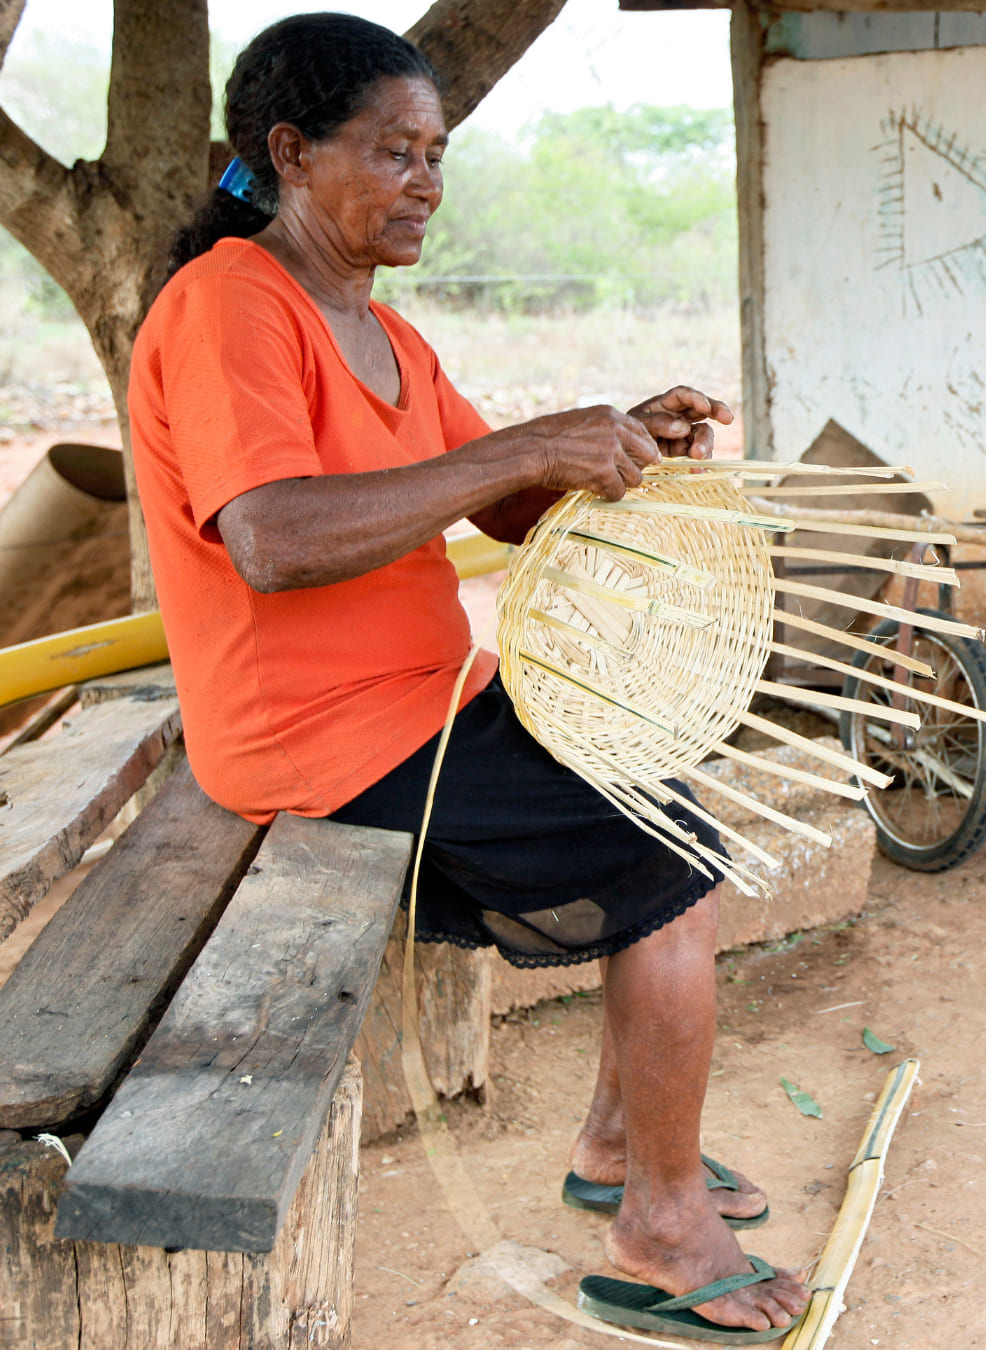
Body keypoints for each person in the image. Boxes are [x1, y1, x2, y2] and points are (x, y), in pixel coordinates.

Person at [128, 16, 807, 1343]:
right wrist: (521, 450)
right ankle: (663, 1217)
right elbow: (272, 539)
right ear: (291, 153)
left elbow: (497, 507)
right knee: (674, 861)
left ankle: (617, 1144)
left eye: (437, 154)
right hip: (317, 734)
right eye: (395, 152)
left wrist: (612, 446)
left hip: (423, 697)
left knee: (662, 793)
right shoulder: (228, 305)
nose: (426, 182)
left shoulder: (380, 328)